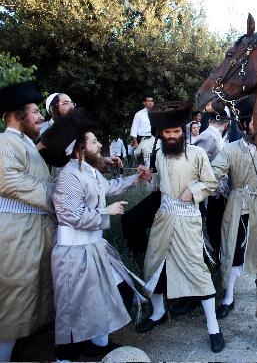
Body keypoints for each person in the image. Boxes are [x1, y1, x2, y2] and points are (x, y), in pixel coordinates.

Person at [43, 109, 150, 360]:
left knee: (113, 291)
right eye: (93, 141)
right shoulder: (69, 175)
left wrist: (136, 177)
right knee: (72, 306)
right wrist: (106, 211)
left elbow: (110, 186)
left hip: (93, 248)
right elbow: (71, 215)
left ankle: (97, 344)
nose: (100, 144)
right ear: (80, 148)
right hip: (73, 254)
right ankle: (65, 356)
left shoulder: (89, 171)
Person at [137, 101, 225, 353]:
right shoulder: (159, 154)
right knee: (153, 264)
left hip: (188, 220)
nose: (173, 136)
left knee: (196, 269)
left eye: (177, 132)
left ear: (182, 131)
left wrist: (193, 189)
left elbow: (210, 182)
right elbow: (159, 183)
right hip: (164, 218)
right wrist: (149, 177)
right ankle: (158, 313)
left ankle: (213, 327)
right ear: (161, 134)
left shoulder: (197, 154)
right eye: (168, 133)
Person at [0, 81, 55, 362]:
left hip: (33, 230)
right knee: (15, 294)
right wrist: (55, 197)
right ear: (17, 115)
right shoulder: (5, 141)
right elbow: (9, 180)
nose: (41, 116)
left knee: (29, 292)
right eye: (35, 111)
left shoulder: (26, 144)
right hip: (16, 232)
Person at [211, 116, 257, 319]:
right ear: (244, 125)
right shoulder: (231, 149)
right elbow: (214, 172)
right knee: (234, 251)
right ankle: (228, 298)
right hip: (237, 204)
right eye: (252, 121)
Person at [195, 114, 230, 258]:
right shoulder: (209, 136)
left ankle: (215, 253)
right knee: (211, 225)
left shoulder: (214, 135)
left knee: (215, 224)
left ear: (210, 121)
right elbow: (198, 165)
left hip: (216, 191)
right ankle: (211, 255)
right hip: (208, 192)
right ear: (227, 125)